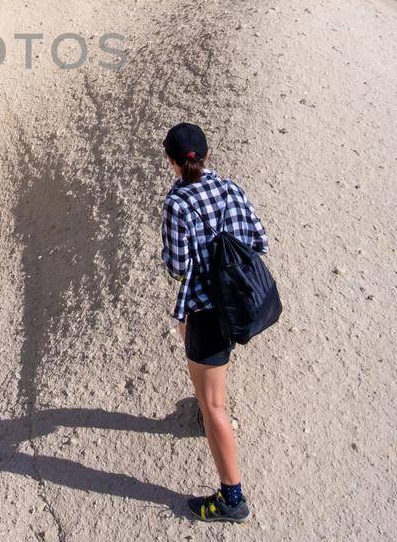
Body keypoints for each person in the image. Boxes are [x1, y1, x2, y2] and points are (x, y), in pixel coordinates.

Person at [160, 121, 267, 523]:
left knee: (215, 405)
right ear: (207, 155)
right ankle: (207, 412)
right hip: (241, 303)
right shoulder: (229, 187)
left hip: (206, 311)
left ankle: (231, 499)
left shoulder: (177, 203)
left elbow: (176, 266)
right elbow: (259, 239)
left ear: (171, 161)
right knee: (201, 360)